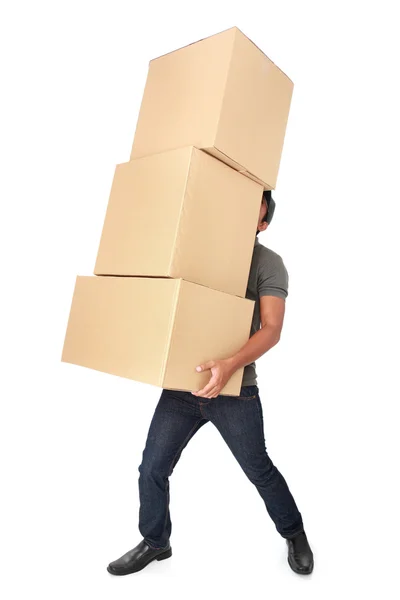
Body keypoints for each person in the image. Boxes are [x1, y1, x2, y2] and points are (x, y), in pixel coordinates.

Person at [107, 191, 314, 576]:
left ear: (262, 224)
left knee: (259, 469)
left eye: (253, 213)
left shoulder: (269, 264)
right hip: (182, 387)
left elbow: (272, 329)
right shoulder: (197, 252)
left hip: (235, 391)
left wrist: (230, 364)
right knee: (151, 467)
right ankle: (155, 542)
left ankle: (295, 533)